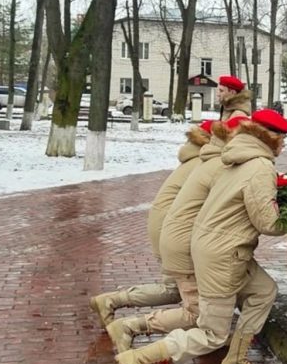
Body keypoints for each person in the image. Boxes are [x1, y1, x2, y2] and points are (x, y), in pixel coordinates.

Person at [115, 109, 287, 364]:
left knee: (263, 291)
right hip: (224, 254)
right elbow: (268, 223)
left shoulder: (236, 157)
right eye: (282, 140)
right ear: (270, 138)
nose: (284, 146)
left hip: (218, 246)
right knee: (212, 333)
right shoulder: (259, 165)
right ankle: (140, 359)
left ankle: (235, 362)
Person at [104, 116, 245, 352]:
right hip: (179, 237)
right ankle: (128, 326)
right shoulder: (213, 164)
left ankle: (112, 304)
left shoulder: (200, 158)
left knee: (181, 293)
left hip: (171, 230)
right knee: (192, 307)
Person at [89, 120, 214, 327]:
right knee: (182, 293)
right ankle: (130, 326)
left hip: (164, 225)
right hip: (173, 229)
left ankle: (110, 301)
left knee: (173, 288)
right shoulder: (202, 162)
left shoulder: (193, 157)